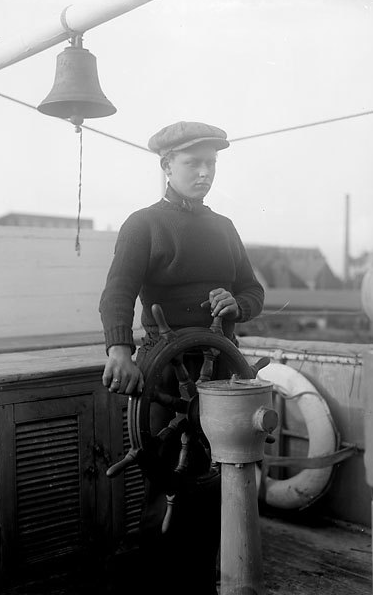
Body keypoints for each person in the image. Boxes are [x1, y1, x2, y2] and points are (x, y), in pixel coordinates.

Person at [99, 120, 264, 595]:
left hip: (223, 376)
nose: (205, 172)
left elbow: (253, 291)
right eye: (194, 163)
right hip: (166, 379)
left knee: (219, 484)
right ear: (167, 166)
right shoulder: (143, 224)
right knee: (165, 485)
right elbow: (117, 293)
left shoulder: (225, 228)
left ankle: (204, 582)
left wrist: (238, 304)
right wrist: (119, 350)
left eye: (211, 163)